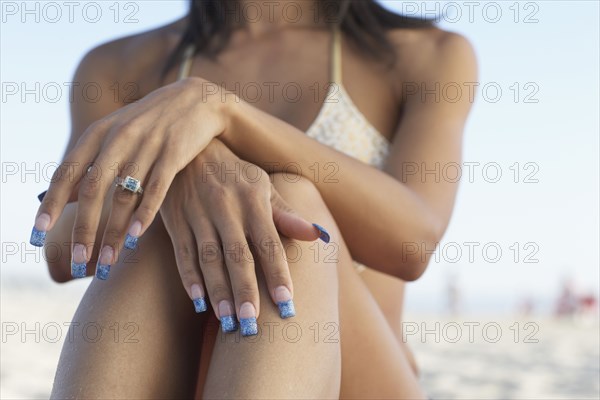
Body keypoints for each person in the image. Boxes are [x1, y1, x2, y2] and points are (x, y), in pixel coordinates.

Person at [30, 1, 477, 398]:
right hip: (181, 371)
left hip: (360, 381)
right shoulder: (118, 65)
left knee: (289, 205)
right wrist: (187, 168)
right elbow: (62, 247)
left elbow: (412, 243)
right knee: (164, 210)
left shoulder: (424, 53)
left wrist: (221, 113)